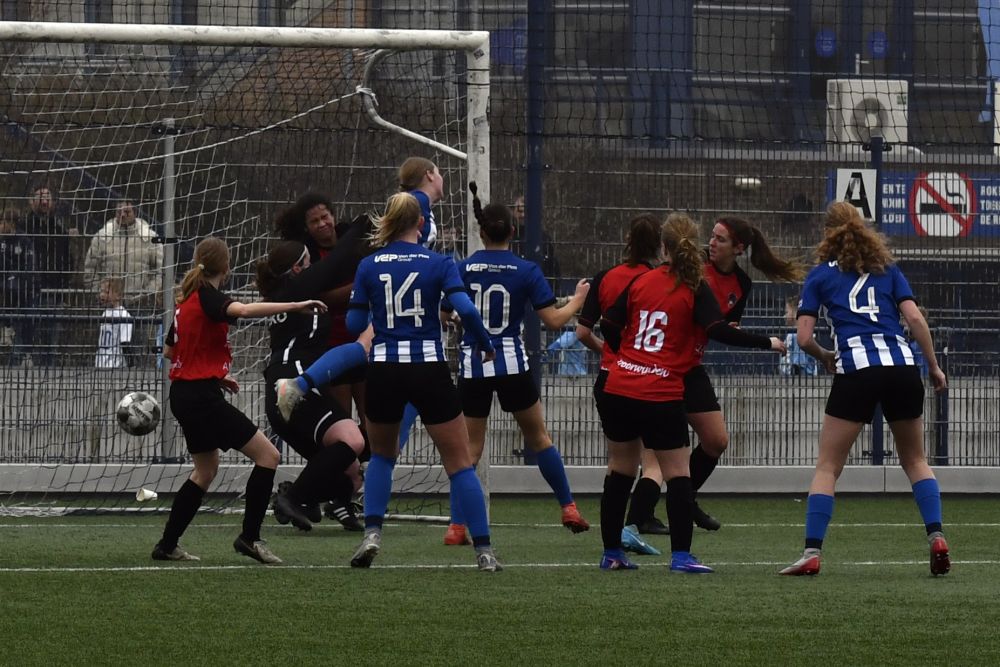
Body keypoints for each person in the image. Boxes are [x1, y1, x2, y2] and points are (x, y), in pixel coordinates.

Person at [597, 213, 786, 572]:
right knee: (678, 472)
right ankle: (681, 556)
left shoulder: (642, 280)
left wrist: (627, 356)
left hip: (620, 385)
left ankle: (611, 553)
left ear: (663, 247)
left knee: (620, 469)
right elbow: (718, 329)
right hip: (662, 385)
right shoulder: (694, 285)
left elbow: (608, 322)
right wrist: (768, 342)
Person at [779, 202, 950, 577]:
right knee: (916, 461)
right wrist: (934, 366)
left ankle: (811, 552)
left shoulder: (820, 276)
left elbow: (803, 338)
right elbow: (915, 318)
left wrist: (826, 355)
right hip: (902, 367)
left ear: (827, 233)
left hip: (857, 369)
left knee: (828, 466)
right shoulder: (887, 269)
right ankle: (937, 536)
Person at [335, 192, 501, 571]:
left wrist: (375, 310)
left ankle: (372, 534)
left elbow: (354, 324)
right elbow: (465, 308)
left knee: (382, 457)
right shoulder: (439, 262)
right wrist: (485, 343)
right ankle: (484, 551)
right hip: (428, 368)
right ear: (421, 224)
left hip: (384, 370)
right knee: (459, 463)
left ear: (388, 222)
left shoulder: (368, 265)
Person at [152, 237, 327, 565]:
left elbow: (170, 351)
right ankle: (250, 538)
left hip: (185, 394)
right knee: (268, 456)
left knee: (205, 471)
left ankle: (167, 545)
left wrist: (214, 375)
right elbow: (244, 310)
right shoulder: (208, 296)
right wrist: (294, 305)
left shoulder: (187, 300)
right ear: (226, 266)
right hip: (201, 399)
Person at [625, 215, 804, 534]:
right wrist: (766, 342)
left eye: (721, 239)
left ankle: (685, 500)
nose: (712, 242)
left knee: (716, 440)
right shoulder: (692, 267)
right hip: (663, 365)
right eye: (712, 236)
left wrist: (731, 330)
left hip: (690, 366)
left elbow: (723, 328)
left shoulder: (742, 284)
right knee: (658, 452)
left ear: (739, 248)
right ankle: (639, 519)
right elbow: (713, 326)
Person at [437, 183, 590, 546]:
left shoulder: (462, 268)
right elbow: (554, 320)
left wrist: (460, 320)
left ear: (481, 232)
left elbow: (444, 313)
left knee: (470, 450)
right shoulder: (526, 270)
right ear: (512, 231)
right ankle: (568, 506)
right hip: (512, 365)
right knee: (539, 438)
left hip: (474, 365)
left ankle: (456, 526)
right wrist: (579, 299)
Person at [258, 225, 373, 534]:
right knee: (354, 440)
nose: (315, 266)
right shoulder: (296, 289)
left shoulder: (290, 294)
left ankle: (317, 499)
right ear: (297, 268)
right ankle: (295, 496)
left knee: (349, 469)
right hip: (294, 383)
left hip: (282, 387)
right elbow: (335, 262)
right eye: (309, 261)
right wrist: (363, 224)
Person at [575, 213, 665, 554]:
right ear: (659, 245)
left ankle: (611, 544)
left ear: (628, 239)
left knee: (618, 464)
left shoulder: (605, 277)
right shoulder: (657, 280)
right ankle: (635, 523)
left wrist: (608, 351)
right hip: (648, 378)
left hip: (610, 378)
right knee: (655, 462)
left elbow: (583, 332)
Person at [22, 185, 80, 365]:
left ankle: (48, 370)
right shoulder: (24, 226)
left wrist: (65, 283)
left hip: (55, 291)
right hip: (31, 291)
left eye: (47, 197)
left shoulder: (58, 226)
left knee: (51, 341)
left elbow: (68, 258)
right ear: (31, 201)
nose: (44, 201)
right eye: (40, 197)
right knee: (30, 338)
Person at [83, 199, 163, 309]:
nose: (122, 215)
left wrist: (147, 295)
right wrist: (101, 294)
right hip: (107, 304)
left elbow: (159, 271)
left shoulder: (150, 238)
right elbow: (90, 270)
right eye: (119, 212)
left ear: (135, 213)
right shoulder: (102, 237)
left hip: (141, 305)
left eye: (127, 212)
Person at [0, 209, 35, 365]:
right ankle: (6, 328)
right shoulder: (2, 242)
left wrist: (16, 276)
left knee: (27, 320)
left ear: (10, 223)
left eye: (2, 222)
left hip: (23, 289)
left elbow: (30, 266)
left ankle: (26, 354)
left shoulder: (24, 241)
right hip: (5, 288)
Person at [511, 194, 560, 280]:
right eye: (519, 211)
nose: (523, 215)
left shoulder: (544, 238)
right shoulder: (508, 236)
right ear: (513, 212)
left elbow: (552, 268)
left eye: (526, 211)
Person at [94, 277, 132, 369]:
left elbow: (125, 342)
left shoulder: (124, 315)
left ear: (118, 295)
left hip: (115, 365)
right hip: (100, 363)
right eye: (101, 291)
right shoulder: (105, 313)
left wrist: (131, 365)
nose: (102, 295)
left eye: (106, 292)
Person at [779, 294, 818, 377]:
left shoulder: (798, 336)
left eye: (786, 312)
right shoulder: (793, 334)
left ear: (795, 313)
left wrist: (797, 380)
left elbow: (799, 363)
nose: (784, 316)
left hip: (799, 379)